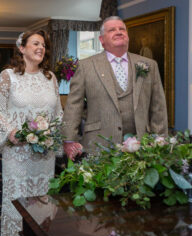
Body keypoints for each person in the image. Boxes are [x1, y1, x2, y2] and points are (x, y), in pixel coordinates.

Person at [0, 29, 63, 236]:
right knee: (17, 206)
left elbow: (58, 114)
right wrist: (12, 132)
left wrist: (51, 131)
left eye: (43, 44)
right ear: (22, 48)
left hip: (44, 155)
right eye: (35, 44)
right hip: (18, 154)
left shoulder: (51, 77)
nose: (41, 48)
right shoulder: (8, 76)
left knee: (43, 205)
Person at [63, 16, 168, 159]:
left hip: (141, 146)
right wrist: (69, 139)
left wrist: (159, 138)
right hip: (98, 144)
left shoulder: (149, 65)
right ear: (101, 40)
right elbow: (74, 105)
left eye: (122, 29)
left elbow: (158, 106)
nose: (118, 32)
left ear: (127, 36)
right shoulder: (86, 66)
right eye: (112, 30)